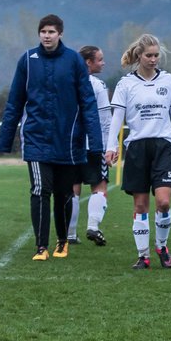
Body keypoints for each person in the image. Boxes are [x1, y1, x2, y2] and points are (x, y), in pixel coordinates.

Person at [0, 14, 104, 260]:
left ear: (60, 34)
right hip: (36, 139)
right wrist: (5, 139)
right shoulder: (27, 60)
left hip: (68, 141)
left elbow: (87, 103)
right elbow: (15, 101)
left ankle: (62, 241)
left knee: (64, 193)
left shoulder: (74, 61)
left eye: (51, 32)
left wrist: (94, 143)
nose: (47, 36)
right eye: (43, 31)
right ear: (39, 34)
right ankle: (41, 247)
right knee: (39, 189)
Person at [103, 35, 171, 270]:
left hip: (163, 145)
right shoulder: (126, 84)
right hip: (137, 148)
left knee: (163, 202)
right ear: (138, 57)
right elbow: (117, 118)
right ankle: (143, 255)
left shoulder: (167, 81)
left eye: (156, 55)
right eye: (149, 56)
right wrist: (111, 146)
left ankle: (161, 246)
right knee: (141, 206)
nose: (154, 59)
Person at [63, 45, 113, 246]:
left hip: (71, 144)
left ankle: (70, 234)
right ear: (88, 63)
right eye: (100, 59)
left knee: (73, 188)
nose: (103, 63)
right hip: (94, 143)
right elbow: (105, 119)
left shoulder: (66, 82)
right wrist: (110, 146)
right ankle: (93, 226)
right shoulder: (98, 85)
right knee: (99, 187)